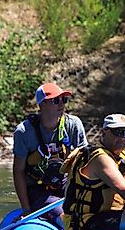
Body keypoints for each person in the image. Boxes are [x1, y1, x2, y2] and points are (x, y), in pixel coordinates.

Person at [12, 82, 87, 221]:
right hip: (37, 188)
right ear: (41, 105)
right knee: (63, 214)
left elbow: (85, 163)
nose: (61, 104)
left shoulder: (73, 125)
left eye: (64, 100)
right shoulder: (24, 132)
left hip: (64, 182)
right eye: (56, 100)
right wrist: (26, 209)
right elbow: (18, 171)